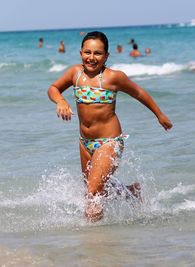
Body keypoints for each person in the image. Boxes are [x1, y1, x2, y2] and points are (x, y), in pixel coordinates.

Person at [47, 31, 173, 222]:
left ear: (106, 56)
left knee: (92, 193)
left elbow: (139, 93)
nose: (91, 57)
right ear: (80, 53)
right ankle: (132, 191)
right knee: (96, 189)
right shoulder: (75, 73)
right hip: (85, 143)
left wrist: (159, 115)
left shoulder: (114, 77)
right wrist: (60, 101)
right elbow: (53, 88)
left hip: (109, 141)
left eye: (97, 53)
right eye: (87, 52)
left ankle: (95, 240)